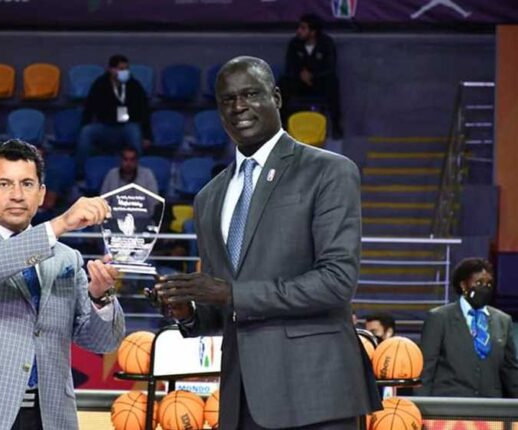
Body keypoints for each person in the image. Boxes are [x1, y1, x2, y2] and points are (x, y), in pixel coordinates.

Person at [155, 56, 380, 430]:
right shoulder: (208, 197)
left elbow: (337, 281)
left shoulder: (328, 170)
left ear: (276, 97)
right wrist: (188, 310)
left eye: (250, 94)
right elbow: (225, 305)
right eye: (228, 99)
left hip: (316, 393)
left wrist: (230, 294)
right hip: (241, 398)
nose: (238, 106)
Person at [0, 139, 125, 430]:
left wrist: (99, 296)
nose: (17, 195)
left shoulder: (67, 258)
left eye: (27, 184)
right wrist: (61, 224)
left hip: (49, 417)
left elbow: (102, 342)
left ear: (41, 194)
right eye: (5, 184)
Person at [416, 258, 518, 398]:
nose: (485, 288)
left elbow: (510, 372)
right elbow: (426, 369)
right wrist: (421, 405)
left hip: (490, 406)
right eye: (479, 283)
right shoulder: (439, 318)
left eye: (489, 284)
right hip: (449, 404)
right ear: (463, 285)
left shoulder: (503, 321)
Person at [78, 54, 152, 174]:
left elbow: (144, 111)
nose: (124, 72)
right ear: (111, 69)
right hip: (105, 126)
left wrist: (147, 136)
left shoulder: (134, 85)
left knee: (135, 132)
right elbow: (89, 108)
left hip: (126, 126)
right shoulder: (100, 84)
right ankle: (81, 174)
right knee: (86, 132)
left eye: (126, 69)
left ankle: (138, 173)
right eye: (121, 69)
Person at [280, 13, 343, 138]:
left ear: (313, 32)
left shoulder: (326, 43)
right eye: (299, 27)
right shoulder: (294, 44)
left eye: (303, 28)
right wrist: (300, 74)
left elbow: (330, 67)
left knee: (332, 82)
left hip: (319, 83)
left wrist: (313, 76)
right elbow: (290, 66)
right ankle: (282, 125)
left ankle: (336, 126)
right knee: (283, 82)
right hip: (299, 83)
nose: (299, 31)